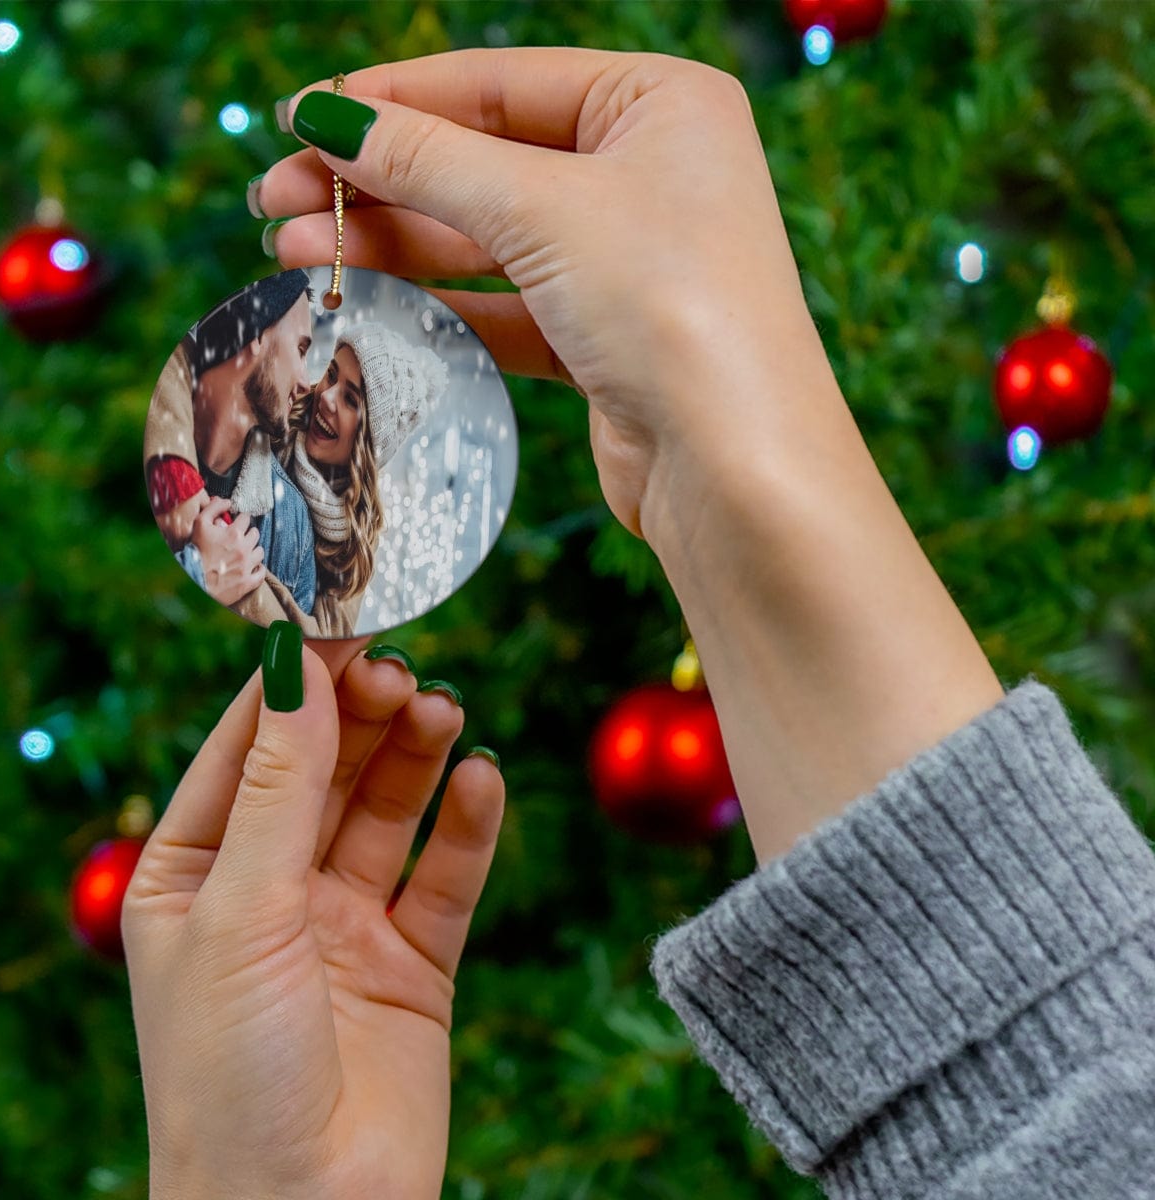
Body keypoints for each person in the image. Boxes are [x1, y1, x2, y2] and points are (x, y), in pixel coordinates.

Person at [122, 47, 1155, 1200]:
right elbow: (1065, 1105)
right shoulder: (235, 501)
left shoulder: (381, 499)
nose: (330, 405)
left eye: (353, 394)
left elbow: (1066, 1108)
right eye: (311, 393)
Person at [144, 269, 318, 618]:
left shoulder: (292, 523)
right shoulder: (148, 442)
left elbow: (300, 658)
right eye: (300, 349)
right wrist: (200, 574)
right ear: (254, 330)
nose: (306, 382)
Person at [276, 323, 449, 636]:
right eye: (331, 374)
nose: (326, 397)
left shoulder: (353, 543)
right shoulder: (271, 433)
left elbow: (325, 639)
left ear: (367, 443)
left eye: (350, 400)